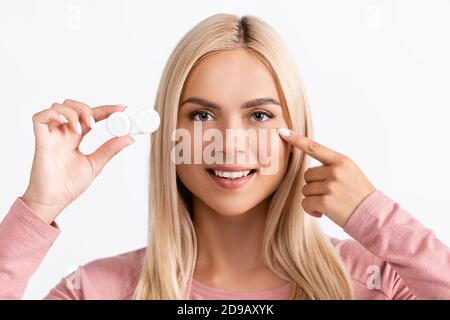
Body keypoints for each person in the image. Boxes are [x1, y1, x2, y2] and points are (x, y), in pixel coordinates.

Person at [1, 14, 449, 300]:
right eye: (200, 115)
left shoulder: (375, 285)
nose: (231, 142)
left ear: (297, 131)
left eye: (258, 114)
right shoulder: (96, 292)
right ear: (168, 136)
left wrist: (374, 215)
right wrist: (38, 208)